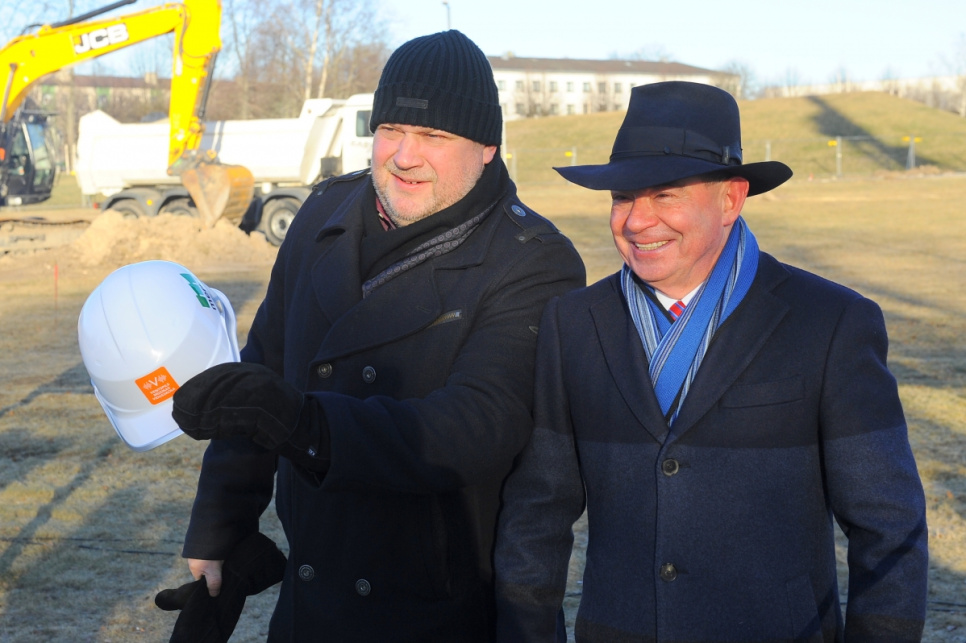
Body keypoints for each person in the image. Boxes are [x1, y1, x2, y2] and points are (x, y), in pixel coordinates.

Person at [168, 29, 585, 641]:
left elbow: (475, 427)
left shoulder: (532, 259)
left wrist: (306, 425)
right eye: (391, 129)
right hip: (310, 599)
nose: (405, 155)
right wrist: (220, 527)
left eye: (434, 136)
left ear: (487, 146)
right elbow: (263, 371)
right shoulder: (322, 215)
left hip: (429, 606)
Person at [494, 81, 928, 642]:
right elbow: (537, 513)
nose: (636, 221)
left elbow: (889, 529)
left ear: (730, 199)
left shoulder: (830, 324)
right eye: (622, 197)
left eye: (665, 195)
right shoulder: (574, 323)